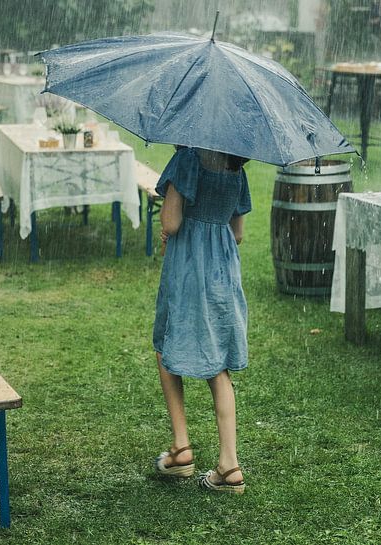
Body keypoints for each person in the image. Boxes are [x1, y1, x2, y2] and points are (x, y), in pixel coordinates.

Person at [152, 146, 252, 495]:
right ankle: (229, 464)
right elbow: (237, 233)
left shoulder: (187, 160)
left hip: (189, 270)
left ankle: (182, 447)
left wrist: (169, 225)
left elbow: (172, 222)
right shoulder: (236, 165)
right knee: (218, 364)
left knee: (166, 348)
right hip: (222, 273)